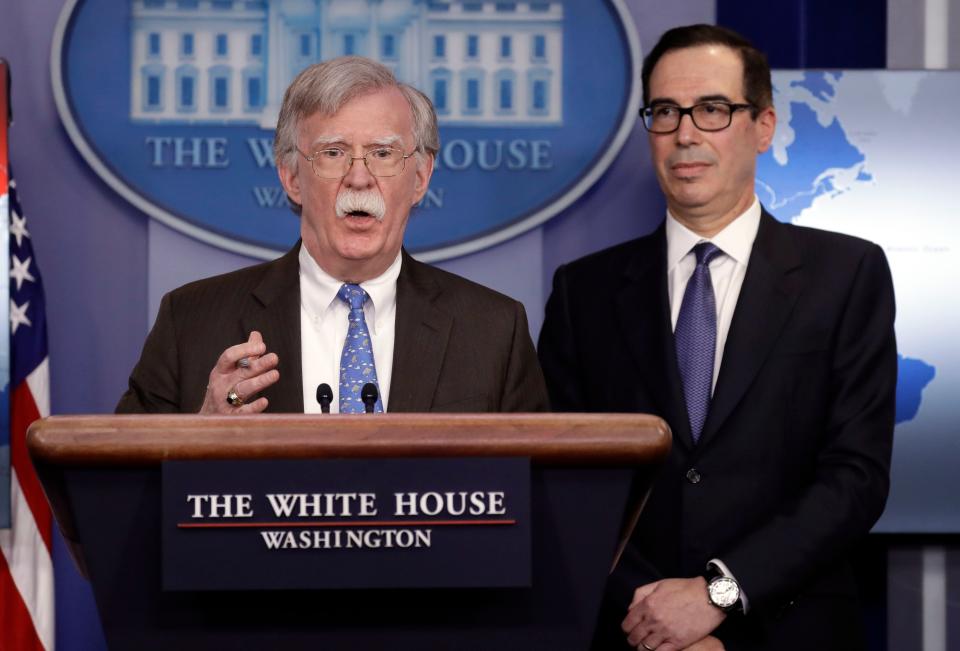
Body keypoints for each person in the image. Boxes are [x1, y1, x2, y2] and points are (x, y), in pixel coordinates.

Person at [537, 24, 896, 651]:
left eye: (712, 109)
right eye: (666, 112)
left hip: (791, 625)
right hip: (630, 630)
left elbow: (855, 475)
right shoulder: (583, 291)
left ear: (763, 126)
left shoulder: (846, 275)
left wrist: (716, 594)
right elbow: (562, 480)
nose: (685, 133)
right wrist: (653, 613)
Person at [117, 56, 547, 415]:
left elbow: (537, 501)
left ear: (420, 177)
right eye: (333, 153)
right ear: (291, 177)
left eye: (383, 153)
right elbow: (122, 497)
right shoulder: (190, 322)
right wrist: (200, 433)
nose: (358, 178)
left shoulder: (494, 332)